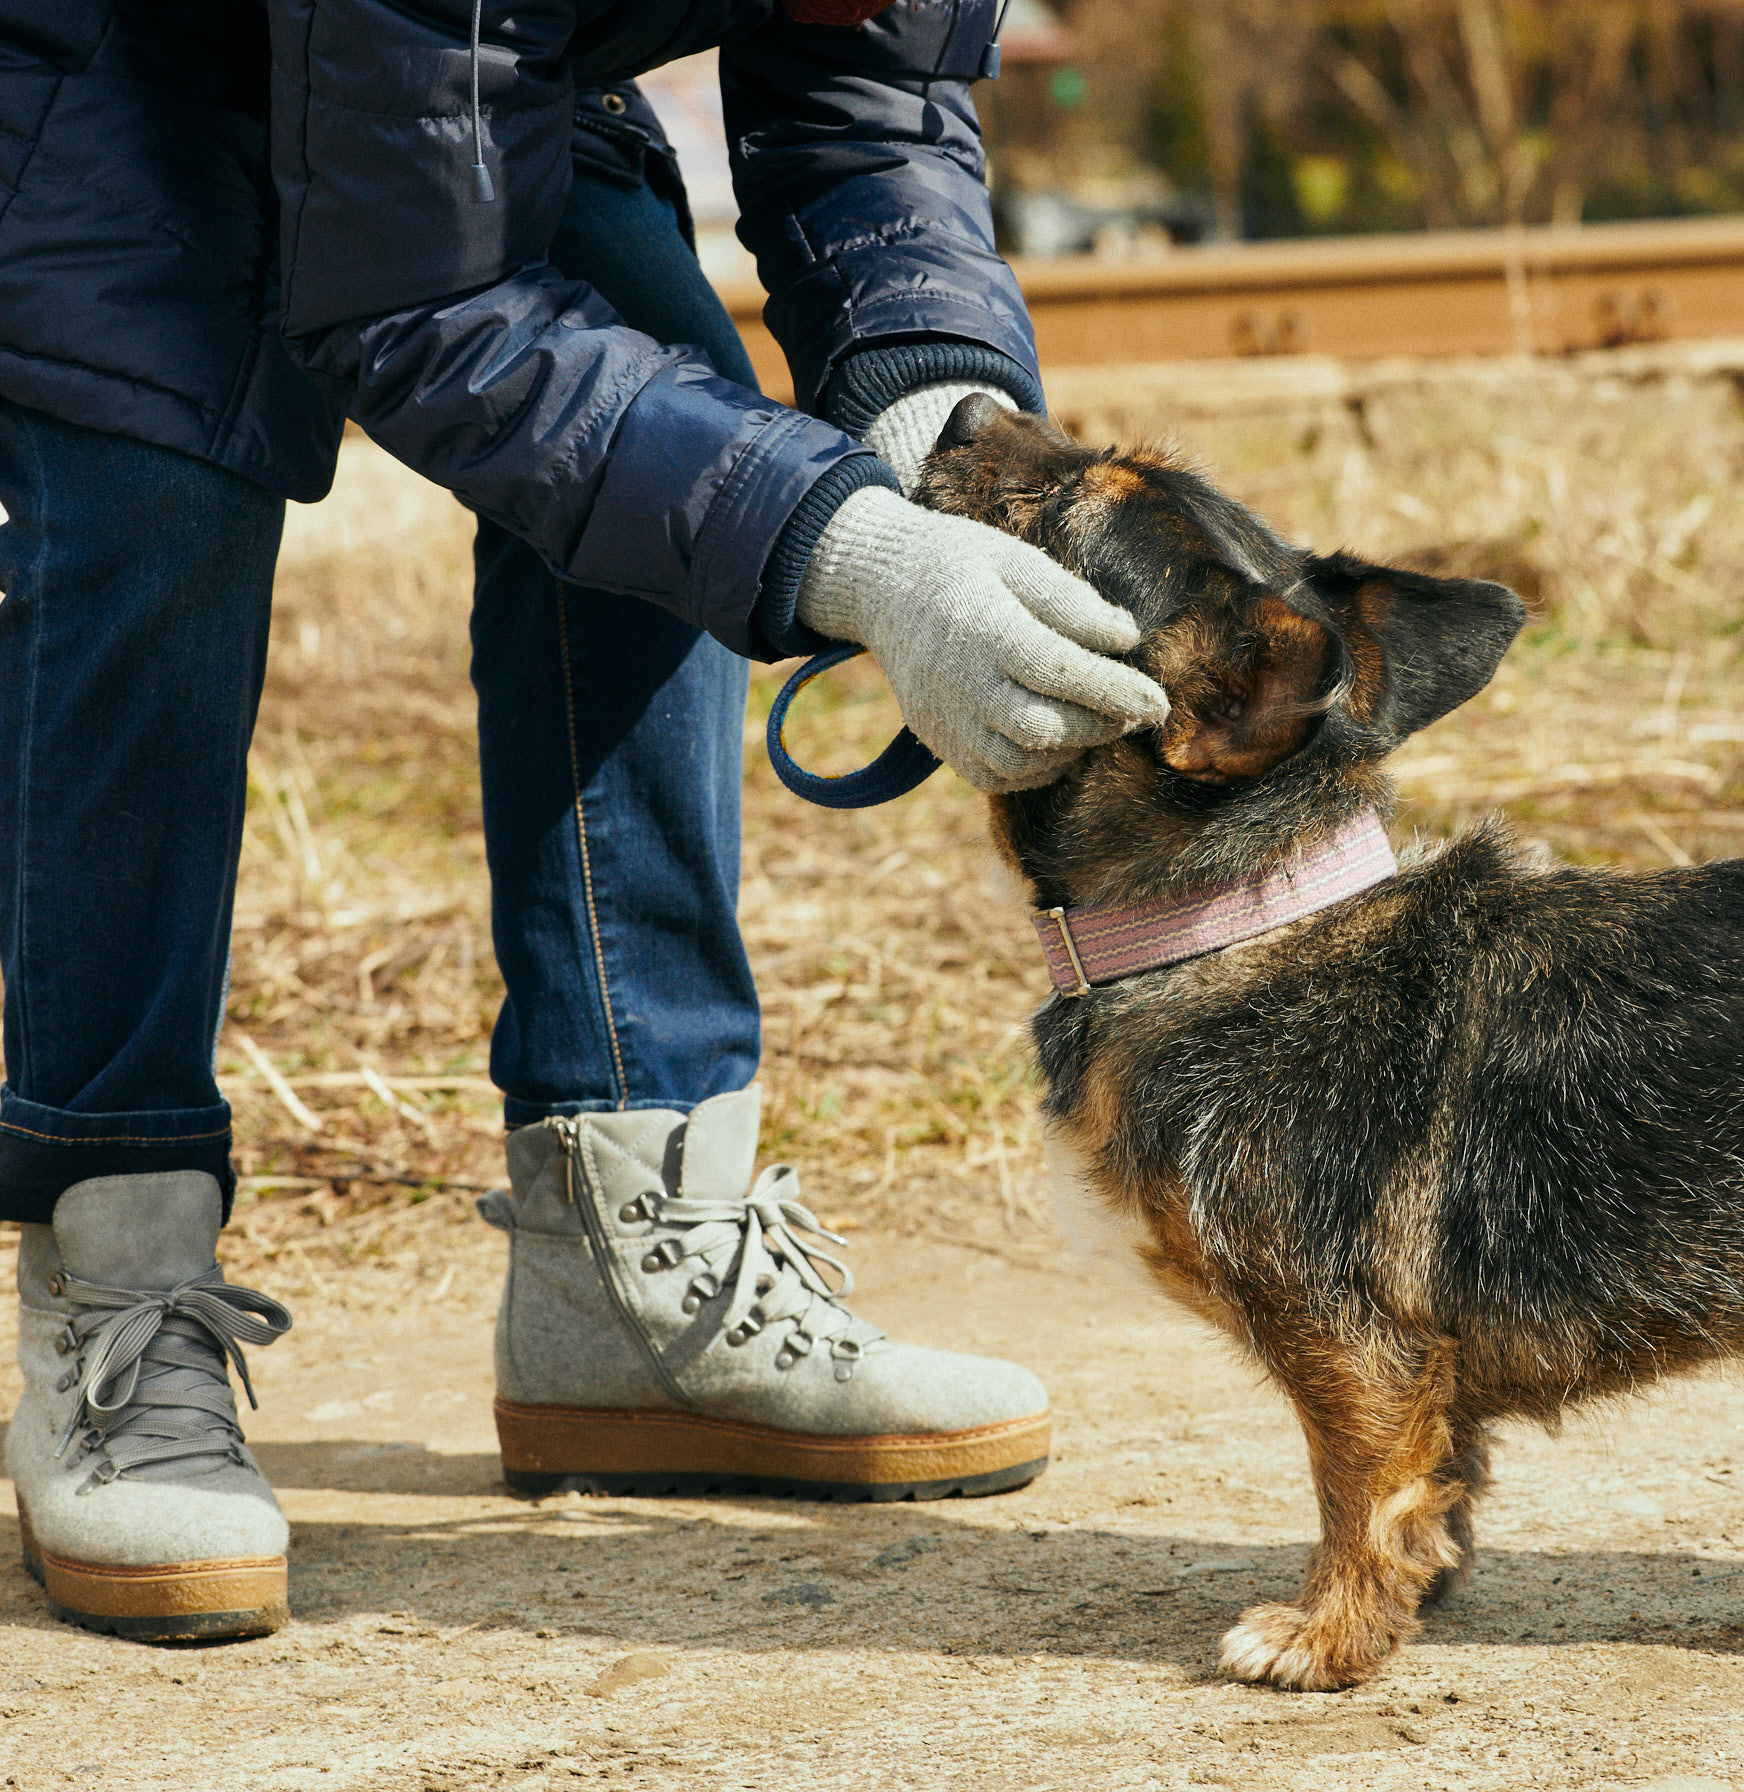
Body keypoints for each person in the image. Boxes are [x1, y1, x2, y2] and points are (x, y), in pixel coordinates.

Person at [0, 0, 1167, 1642]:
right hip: (105, 62)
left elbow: (873, 102)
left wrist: (942, 432)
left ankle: (629, 1260)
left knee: (675, 413)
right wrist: (847, 552)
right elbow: (422, 305)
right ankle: (116, 1274)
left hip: (459, 83)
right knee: (154, 488)